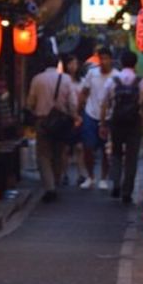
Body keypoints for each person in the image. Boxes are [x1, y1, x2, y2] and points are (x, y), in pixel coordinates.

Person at [26, 51, 77, 202]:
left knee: (43, 155)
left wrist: (34, 110)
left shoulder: (37, 80)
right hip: (61, 121)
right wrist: (74, 116)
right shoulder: (66, 79)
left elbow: (30, 102)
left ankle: (50, 187)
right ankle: (56, 180)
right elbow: (72, 103)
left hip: (43, 121)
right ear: (57, 65)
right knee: (58, 152)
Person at [102, 50, 143, 203]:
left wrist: (102, 123)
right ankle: (127, 192)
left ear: (121, 63)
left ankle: (116, 184)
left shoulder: (112, 81)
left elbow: (104, 104)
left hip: (116, 123)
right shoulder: (142, 82)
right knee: (132, 158)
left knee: (116, 154)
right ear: (135, 64)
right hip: (134, 123)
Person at [77, 46, 118, 190]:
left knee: (105, 149)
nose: (104, 61)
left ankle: (104, 177)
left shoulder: (116, 76)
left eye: (106, 58)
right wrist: (78, 111)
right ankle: (90, 176)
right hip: (90, 113)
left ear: (111, 60)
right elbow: (84, 92)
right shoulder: (92, 73)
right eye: (101, 58)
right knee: (88, 147)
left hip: (108, 117)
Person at [60, 53, 86, 186]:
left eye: (75, 63)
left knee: (79, 147)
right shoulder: (62, 80)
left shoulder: (81, 81)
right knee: (64, 147)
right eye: (70, 63)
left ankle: (81, 174)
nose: (73, 66)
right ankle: (63, 174)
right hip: (66, 117)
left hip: (79, 116)